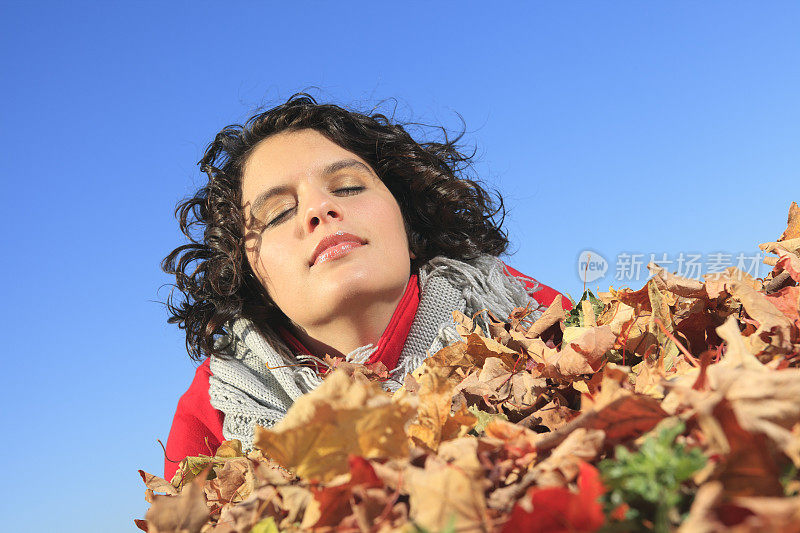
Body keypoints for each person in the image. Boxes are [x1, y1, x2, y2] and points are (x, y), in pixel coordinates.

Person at [160, 93, 572, 481]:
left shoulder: (522, 307)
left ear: (409, 222)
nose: (319, 208)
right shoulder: (212, 413)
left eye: (348, 187)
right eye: (280, 212)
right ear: (247, 276)